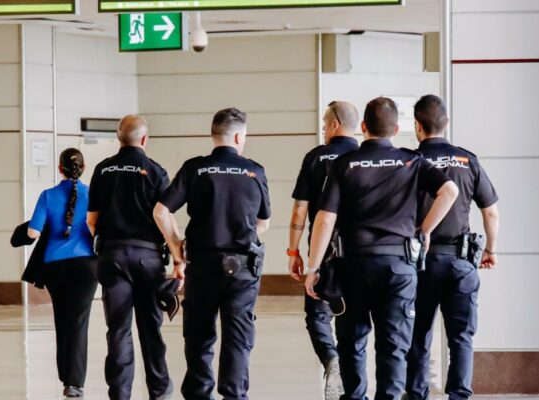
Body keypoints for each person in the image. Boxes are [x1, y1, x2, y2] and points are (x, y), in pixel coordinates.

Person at [303, 97, 460, 399]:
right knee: (393, 346)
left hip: (353, 267)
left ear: (363, 127)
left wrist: (313, 268)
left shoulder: (344, 164)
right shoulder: (411, 161)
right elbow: (449, 190)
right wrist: (424, 230)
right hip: (398, 268)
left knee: (352, 343)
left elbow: (324, 219)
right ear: (396, 129)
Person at [154, 107, 271, 400]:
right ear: (238, 136)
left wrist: (177, 248)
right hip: (243, 268)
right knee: (238, 338)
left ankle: (198, 394)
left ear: (214, 134)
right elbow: (263, 222)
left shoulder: (195, 168)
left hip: (202, 265)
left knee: (198, 336)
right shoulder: (254, 170)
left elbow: (161, 211)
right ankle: (234, 394)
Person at [404, 95, 500, 400]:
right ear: (446, 124)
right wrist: (491, 250)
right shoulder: (467, 160)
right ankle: (459, 396)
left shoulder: (409, 161)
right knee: (461, 338)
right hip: (461, 264)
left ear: (417, 126)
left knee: (417, 334)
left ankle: (416, 395)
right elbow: (491, 211)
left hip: (419, 264)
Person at [86, 115, 175, 400]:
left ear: (119, 137)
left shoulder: (102, 170)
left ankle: (120, 393)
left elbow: (91, 221)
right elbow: (165, 217)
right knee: (151, 328)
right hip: (148, 258)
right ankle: (159, 392)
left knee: (118, 329)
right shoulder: (156, 171)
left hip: (112, 256)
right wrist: (178, 255)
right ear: (145, 139)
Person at [288, 101, 360, 399]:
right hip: (360, 255)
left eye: (323, 122)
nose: (322, 127)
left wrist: (294, 252)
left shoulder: (315, 157)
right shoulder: (363, 156)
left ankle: (332, 358)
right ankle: (355, 386)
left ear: (334, 125)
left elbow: (300, 210)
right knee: (354, 320)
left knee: (317, 316)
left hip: (323, 255)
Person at [27, 148, 98, 398]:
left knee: (62, 319)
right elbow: (97, 227)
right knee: (79, 322)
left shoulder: (48, 196)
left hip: (55, 267)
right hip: (86, 266)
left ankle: (65, 374)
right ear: (84, 167)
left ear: (59, 169)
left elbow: (33, 233)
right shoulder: (93, 195)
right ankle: (74, 382)